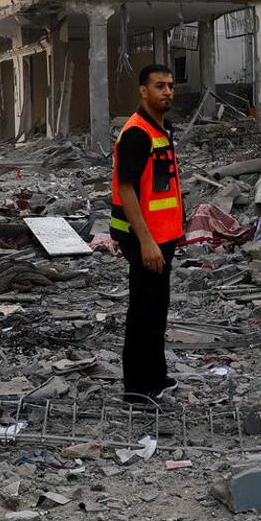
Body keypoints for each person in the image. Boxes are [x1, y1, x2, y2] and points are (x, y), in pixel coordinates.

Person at [110, 64, 184, 404]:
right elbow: (126, 190)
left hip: (161, 236)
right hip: (145, 238)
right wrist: (146, 241)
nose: (167, 91)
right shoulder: (137, 133)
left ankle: (154, 375)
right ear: (143, 91)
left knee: (156, 308)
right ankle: (138, 389)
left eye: (170, 85)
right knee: (144, 310)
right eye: (159, 86)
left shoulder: (161, 129)